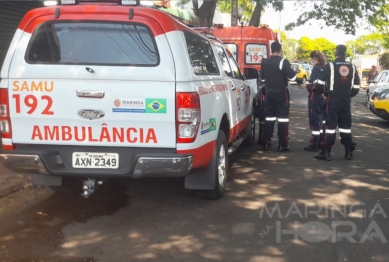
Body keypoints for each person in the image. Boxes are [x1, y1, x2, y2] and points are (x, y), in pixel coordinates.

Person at [315, 44, 360, 161]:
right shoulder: (352, 67)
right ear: (345, 55)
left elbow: (319, 82)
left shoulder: (330, 65)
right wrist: (349, 95)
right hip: (345, 101)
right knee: (345, 127)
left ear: (335, 54)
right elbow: (356, 86)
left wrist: (323, 93)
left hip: (333, 100)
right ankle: (349, 151)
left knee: (330, 127)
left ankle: (326, 152)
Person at [260, 41, 297, 152]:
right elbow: (293, 77)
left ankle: (267, 142)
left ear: (271, 50)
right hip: (281, 92)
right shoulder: (283, 62)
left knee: (269, 117)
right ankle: (282, 144)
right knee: (283, 118)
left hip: (269, 92)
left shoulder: (265, 62)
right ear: (280, 50)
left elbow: (262, 79)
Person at [299, 50, 326, 151]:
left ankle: (314, 144)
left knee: (315, 120)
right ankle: (322, 140)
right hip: (324, 97)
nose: (311, 61)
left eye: (311, 59)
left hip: (315, 97)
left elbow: (315, 85)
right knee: (322, 120)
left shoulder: (316, 69)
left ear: (315, 59)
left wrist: (306, 85)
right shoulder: (324, 68)